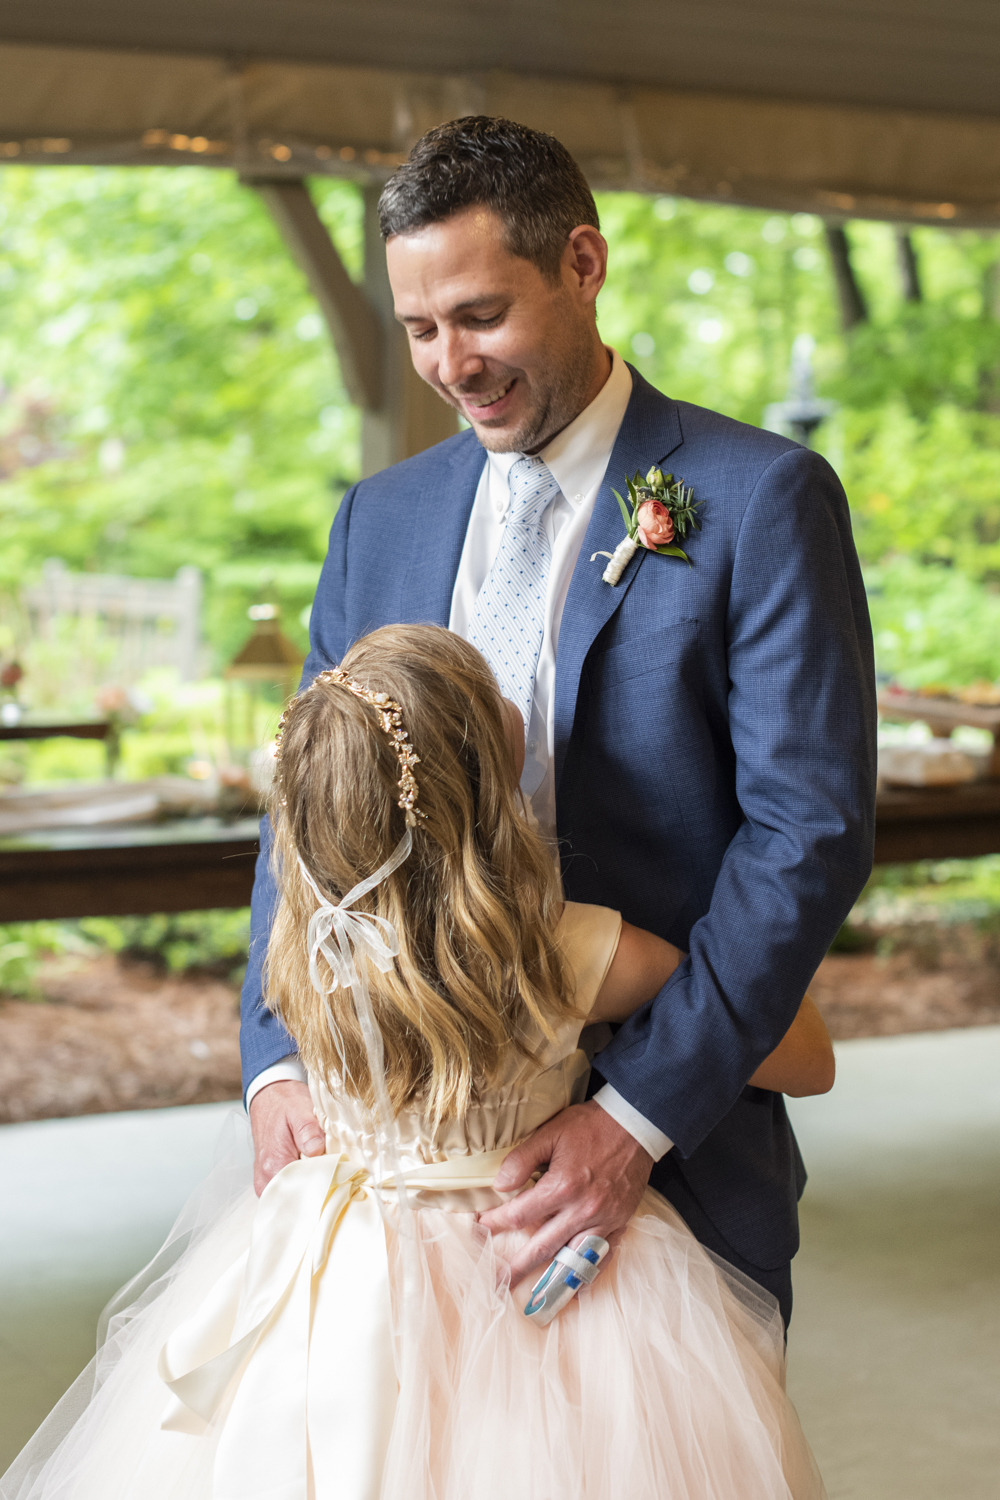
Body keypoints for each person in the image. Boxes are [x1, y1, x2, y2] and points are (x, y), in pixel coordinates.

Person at [243, 116, 876, 1325]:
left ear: (582, 265)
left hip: (673, 1146)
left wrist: (632, 1118)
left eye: (481, 317)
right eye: (419, 329)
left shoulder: (759, 499)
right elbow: (309, 803)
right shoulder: (376, 520)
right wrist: (276, 1057)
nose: (449, 364)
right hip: (402, 1165)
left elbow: (808, 831)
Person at [2, 625, 833, 1500]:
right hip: (526, 1260)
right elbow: (805, 1055)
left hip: (336, 1273)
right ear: (482, 778)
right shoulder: (562, 948)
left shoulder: (301, 946)